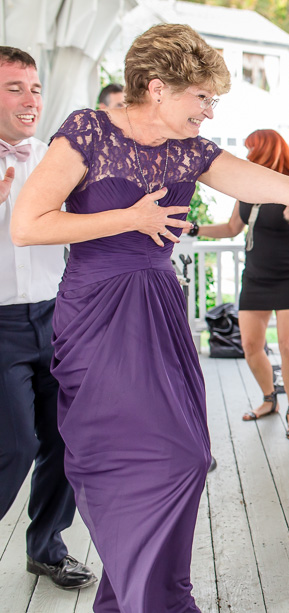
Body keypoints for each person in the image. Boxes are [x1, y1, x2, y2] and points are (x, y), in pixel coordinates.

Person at [10, 23, 289, 611]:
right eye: (201, 97)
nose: (209, 111)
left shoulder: (192, 152)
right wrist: (128, 219)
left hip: (157, 304)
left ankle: (138, 593)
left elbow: (284, 183)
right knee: (117, 457)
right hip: (98, 309)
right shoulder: (88, 131)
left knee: (185, 456)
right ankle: (150, 599)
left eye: (213, 100)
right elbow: (28, 225)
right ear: (156, 88)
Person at [0, 45, 97, 591]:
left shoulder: (54, 159)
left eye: (34, 88)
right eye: (14, 87)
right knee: (13, 445)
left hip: (58, 318)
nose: (30, 98)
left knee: (65, 439)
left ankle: (47, 548)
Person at [194, 129, 289, 440]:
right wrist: (194, 228)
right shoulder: (247, 188)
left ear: (266, 151)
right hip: (256, 273)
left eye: (251, 149)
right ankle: (269, 399)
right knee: (250, 346)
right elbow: (231, 228)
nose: (247, 156)